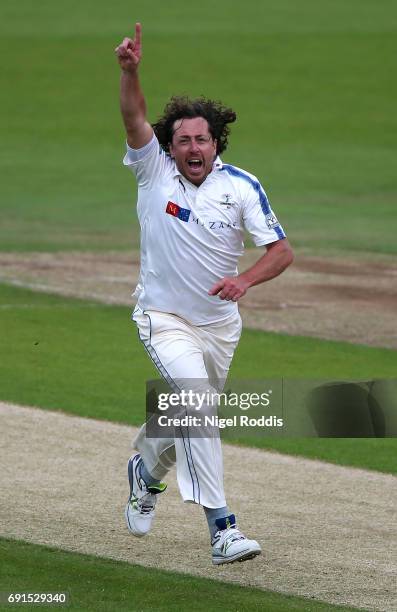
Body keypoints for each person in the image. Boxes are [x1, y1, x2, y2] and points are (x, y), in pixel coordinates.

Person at [115, 23, 294, 565]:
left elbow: (281, 251)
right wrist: (130, 72)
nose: (194, 147)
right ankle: (223, 529)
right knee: (196, 407)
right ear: (169, 146)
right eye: (184, 139)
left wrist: (246, 279)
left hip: (219, 325)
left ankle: (144, 470)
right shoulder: (154, 172)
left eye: (203, 139)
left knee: (185, 416)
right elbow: (133, 116)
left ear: (217, 143)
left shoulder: (241, 186)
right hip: (163, 317)